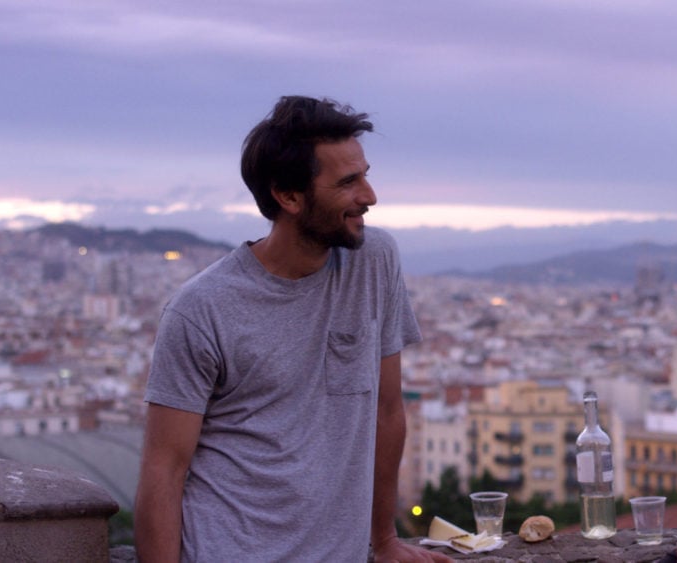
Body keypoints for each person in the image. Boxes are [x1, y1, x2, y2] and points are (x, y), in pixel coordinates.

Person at [134, 96, 453, 563]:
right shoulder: (200, 309)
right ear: (288, 196)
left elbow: (387, 412)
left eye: (365, 174)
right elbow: (164, 468)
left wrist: (383, 541)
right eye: (348, 182)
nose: (370, 195)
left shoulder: (375, 261)